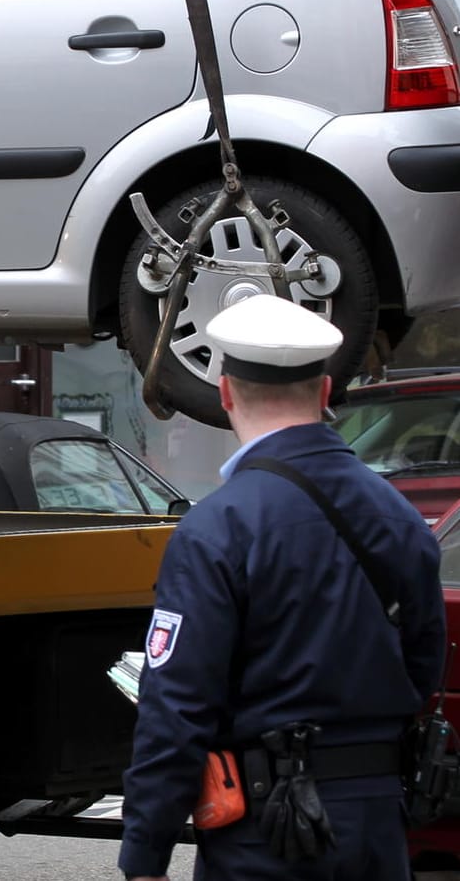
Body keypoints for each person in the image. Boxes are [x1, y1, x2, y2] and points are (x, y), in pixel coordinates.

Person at [120, 293, 446, 880]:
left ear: (224, 394)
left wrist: (146, 854)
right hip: (377, 823)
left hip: (269, 835)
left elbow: (178, 708)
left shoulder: (218, 527)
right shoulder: (400, 517)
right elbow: (423, 666)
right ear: (324, 395)